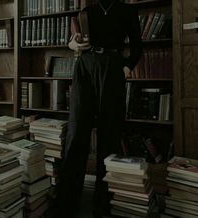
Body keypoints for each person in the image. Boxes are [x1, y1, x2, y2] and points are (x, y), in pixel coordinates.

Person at [53, 0, 143, 217]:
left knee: (109, 134)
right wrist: (73, 45)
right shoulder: (86, 11)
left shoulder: (128, 11)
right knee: (76, 132)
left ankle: (103, 205)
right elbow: (73, 43)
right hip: (85, 65)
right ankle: (66, 202)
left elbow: (138, 45)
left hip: (112, 67)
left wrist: (126, 68)